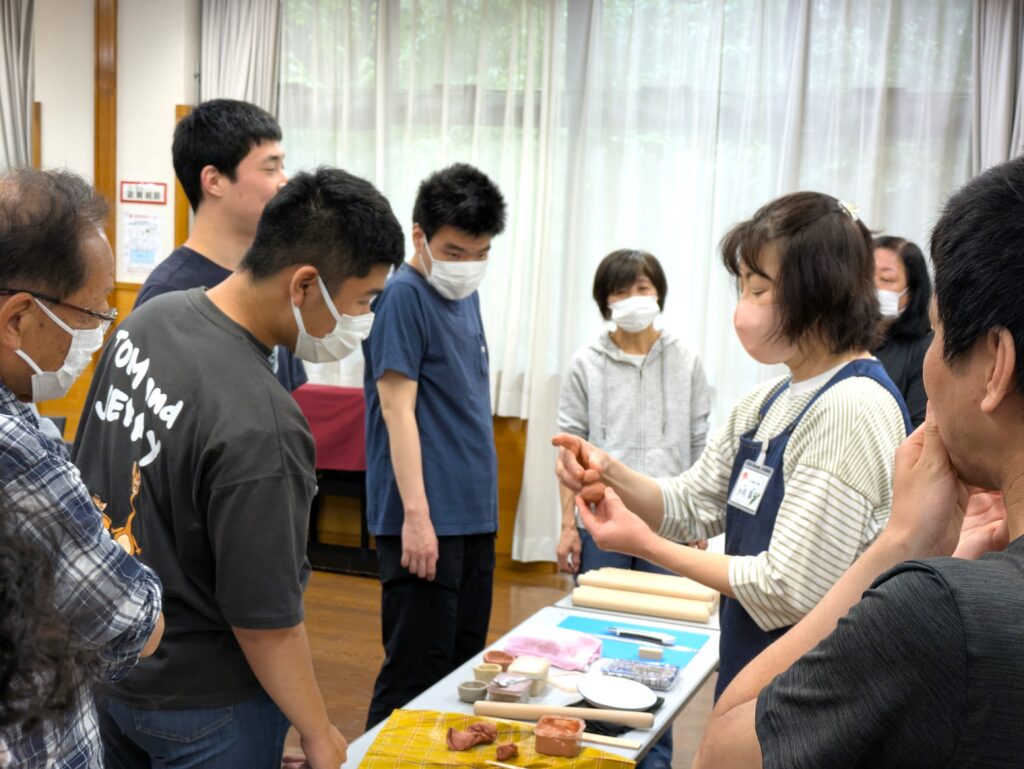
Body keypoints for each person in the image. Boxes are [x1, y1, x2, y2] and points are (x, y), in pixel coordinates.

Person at [692, 156, 1024, 769]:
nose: (924, 365)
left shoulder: (938, 610)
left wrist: (902, 544)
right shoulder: (768, 399)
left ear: (996, 366)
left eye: (935, 334)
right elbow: (692, 500)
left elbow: (720, 751)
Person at [72, 168, 404, 769]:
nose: (364, 319)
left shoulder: (148, 319)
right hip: (206, 702)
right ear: (305, 284)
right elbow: (266, 621)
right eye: (363, 301)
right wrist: (318, 729)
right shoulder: (264, 423)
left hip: (109, 666)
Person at [555, 193, 911, 699]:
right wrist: (608, 472)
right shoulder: (767, 402)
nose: (743, 308)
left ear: (818, 290)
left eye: (759, 289)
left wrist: (646, 545)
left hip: (811, 691)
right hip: (754, 664)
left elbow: (787, 588)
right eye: (742, 287)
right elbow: (690, 505)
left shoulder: (851, 408)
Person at [0, 168, 164, 769]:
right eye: (92, 314)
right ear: (18, 318)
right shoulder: (15, 449)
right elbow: (134, 622)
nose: (97, 334)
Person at [363, 163, 507, 728]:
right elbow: (397, 410)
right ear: (419, 235)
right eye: (454, 251)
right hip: (427, 519)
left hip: (472, 515)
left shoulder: (464, 293)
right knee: (413, 675)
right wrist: (417, 519)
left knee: (462, 671)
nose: (467, 265)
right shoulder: (402, 296)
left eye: (480, 253)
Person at [555, 249, 711, 769]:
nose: (632, 299)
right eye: (620, 291)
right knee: (599, 644)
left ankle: (654, 758)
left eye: (641, 288)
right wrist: (567, 526)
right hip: (601, 523)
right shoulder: (585, 362)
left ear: (658, 292)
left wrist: (697, 517)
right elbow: (568, 452)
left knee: (660, 650)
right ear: (605, 301)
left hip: (667, 524)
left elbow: (700, 443)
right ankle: (600, 752)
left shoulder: (686, 359)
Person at [134, 98, 307, 392]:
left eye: (283, 166)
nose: (284, 181)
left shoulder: (276, 278)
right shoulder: (167, 295)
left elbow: (284, 396)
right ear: (214, 181)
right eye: (270, 168)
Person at [872, 235, 933, 427]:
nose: (872, 287)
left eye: (886, 279)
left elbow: (919, 429)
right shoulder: (844, 339)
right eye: (865, 276)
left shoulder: (925, 349)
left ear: (912, 292)